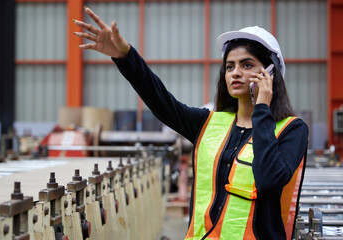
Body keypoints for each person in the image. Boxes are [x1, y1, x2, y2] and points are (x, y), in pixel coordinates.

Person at [74, 7, 308, 240]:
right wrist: (125, 57)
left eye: (247, 65)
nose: (235, 73)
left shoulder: (291, 130)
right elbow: (162, 102)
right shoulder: (209, 123)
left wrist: (262, 109)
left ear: (270, 74)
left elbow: (268, 179)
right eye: (229, 66)